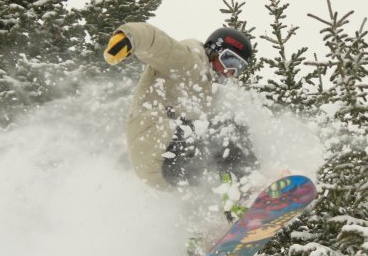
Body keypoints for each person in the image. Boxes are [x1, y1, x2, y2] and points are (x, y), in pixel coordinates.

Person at [103, 22, 257, 193]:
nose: (230, 71)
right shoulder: (189, 61)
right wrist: (130, 37)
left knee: (223, 147)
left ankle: (230, 208)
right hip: (156, 144)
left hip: (166, 169)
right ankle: (245, 191)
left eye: (238, 68)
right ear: (214, 49)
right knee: (228, 131)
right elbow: (157, 43)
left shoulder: (209, 91)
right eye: (229, 60)